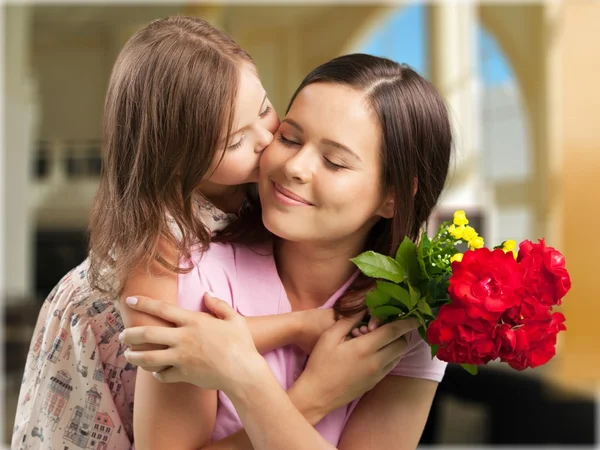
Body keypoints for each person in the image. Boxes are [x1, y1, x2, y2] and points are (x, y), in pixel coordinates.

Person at [12, 16, 341, 449]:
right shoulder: (155, 237)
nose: (266, 139)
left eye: (263, 108)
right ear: (177, 158)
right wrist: (298, 327)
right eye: (235, 141)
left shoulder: (249, 191)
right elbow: (170, 348)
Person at [120, 53, 453, 449]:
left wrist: (243, 376)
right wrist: (314, 397)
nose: (295, 166)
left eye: (334, 162)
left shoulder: (409, 318)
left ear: (394, 197)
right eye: (289, 137)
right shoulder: (193, 273)